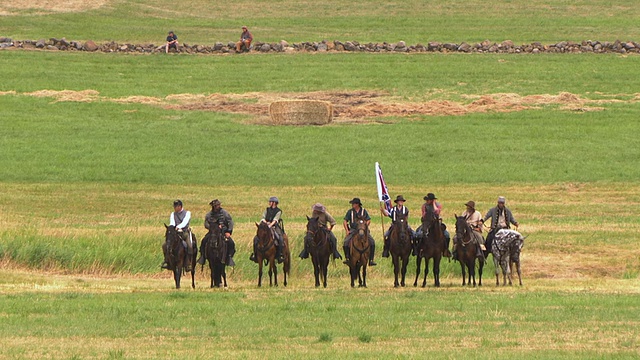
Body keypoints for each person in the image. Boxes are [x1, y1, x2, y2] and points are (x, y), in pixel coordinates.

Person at [196, 199, 236, 266]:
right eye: (216, 205)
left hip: (223, 232)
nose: (218, 206)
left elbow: (230, 222)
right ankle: (203, 256)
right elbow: (206, 223)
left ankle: (229, 257)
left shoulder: (224, 213)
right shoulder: (209, 215)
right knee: (204, 241)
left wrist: (229, 231)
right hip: (213, 232)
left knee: (231, 243)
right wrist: (212, 227)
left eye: (218, 205)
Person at [342, 198, 377, 266]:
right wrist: (347, 230)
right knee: (346, 242)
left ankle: (371, 259)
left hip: (363, 230)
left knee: (372, 242)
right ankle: (347, 258)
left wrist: (364, 226)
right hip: (353, 229)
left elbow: (368, 220)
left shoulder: (364, 211)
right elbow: (345, 221)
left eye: (353, 204)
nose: (352, 205)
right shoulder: (350, 212)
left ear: (357, 204)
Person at [250, 196, 286, 264]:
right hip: (265, 226)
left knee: (280, 238)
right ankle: (255, 255)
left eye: (270, 202)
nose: (269, 203)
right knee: (256, 238)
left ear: (274, 203)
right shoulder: (267, 210)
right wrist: (265, 223)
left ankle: (280, 255)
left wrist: (270, 225)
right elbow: (263, 217)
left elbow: (276, 220)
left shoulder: (279, 211)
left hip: (274, 226)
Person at [162, 199, 194, 271]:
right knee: (165, 245)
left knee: (190, 245)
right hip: (175, 232)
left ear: (180, 206)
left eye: (175, 206)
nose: (174, 208)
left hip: (184, 232)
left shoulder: (187, 213)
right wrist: (172, 228)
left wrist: (178, 227)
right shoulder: (173, 214)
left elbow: (185, 222)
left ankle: (189, 263)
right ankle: (167, 260)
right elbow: (172, 222)